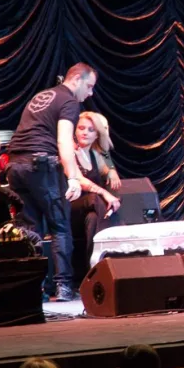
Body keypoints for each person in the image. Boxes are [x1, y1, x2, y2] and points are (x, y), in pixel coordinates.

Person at [6, 63, 97, 301]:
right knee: (60, 226)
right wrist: (73, 177)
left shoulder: (43, 95)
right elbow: (64, 141)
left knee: (29, 229)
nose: (90, 94)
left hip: (15, 165)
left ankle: (32, 288)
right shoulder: (69, 101)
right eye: (89, 86)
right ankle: (64, 287)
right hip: (41, 165)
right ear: (76, 79)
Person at [71, 112, 122, 279]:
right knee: (95, 199)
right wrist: (104, 193)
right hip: (71, 207)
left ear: (97, 135)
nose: (85, 133)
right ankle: (115, 246)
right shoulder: (69, 151)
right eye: (81, 128)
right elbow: (79, 180)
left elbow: (105, 152)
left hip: (90, 210)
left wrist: (112, 170)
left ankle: (94, 270)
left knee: (93, 218)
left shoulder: (95, 153)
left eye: (91, 130)